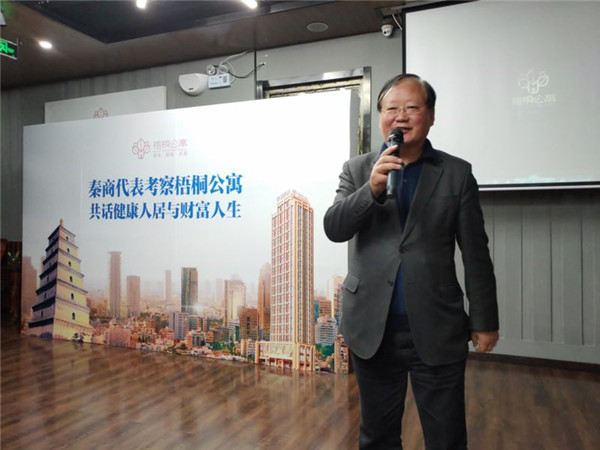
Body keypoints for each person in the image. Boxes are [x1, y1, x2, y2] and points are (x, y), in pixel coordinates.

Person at [323, 74, 499, 450]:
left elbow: (476, 252)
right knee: (377, 436)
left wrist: (485, 320)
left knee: (446, 438)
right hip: (373, 328)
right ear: (381, 116)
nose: (401, 116)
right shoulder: (357, 170)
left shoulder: (456, 173)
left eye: (412, 108)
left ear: (430, 116)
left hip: (437, 327)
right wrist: (371, 190)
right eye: (392, 108)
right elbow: (334, 228)